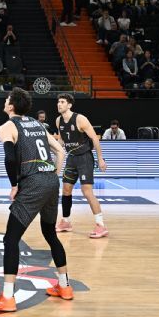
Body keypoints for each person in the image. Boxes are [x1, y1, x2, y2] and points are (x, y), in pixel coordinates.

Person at [0, 88, 70, 312]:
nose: (5, 101)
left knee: (11, 239)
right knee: (50, 234)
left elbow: (10, 158)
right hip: (51, 181)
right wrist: (54, 175)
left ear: (11, 106)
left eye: (7, 99)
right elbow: (60, 151)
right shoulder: (37, 124)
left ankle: (7, 297)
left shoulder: (7, 127)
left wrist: (14, 185)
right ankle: (65, 286)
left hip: (33, 183)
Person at [55, 93, 109, 238]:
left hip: (84, 158)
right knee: (66, 189)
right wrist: (54, 153)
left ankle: (101, 225)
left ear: (69, 105)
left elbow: (95, 139)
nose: (59, 104)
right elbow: (61, 141)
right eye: (58, 102)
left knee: (87, 191)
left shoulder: (80, 119)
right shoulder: (59, 120)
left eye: (62, 102)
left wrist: (100, 159)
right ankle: (66, 222)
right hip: (71, 158)